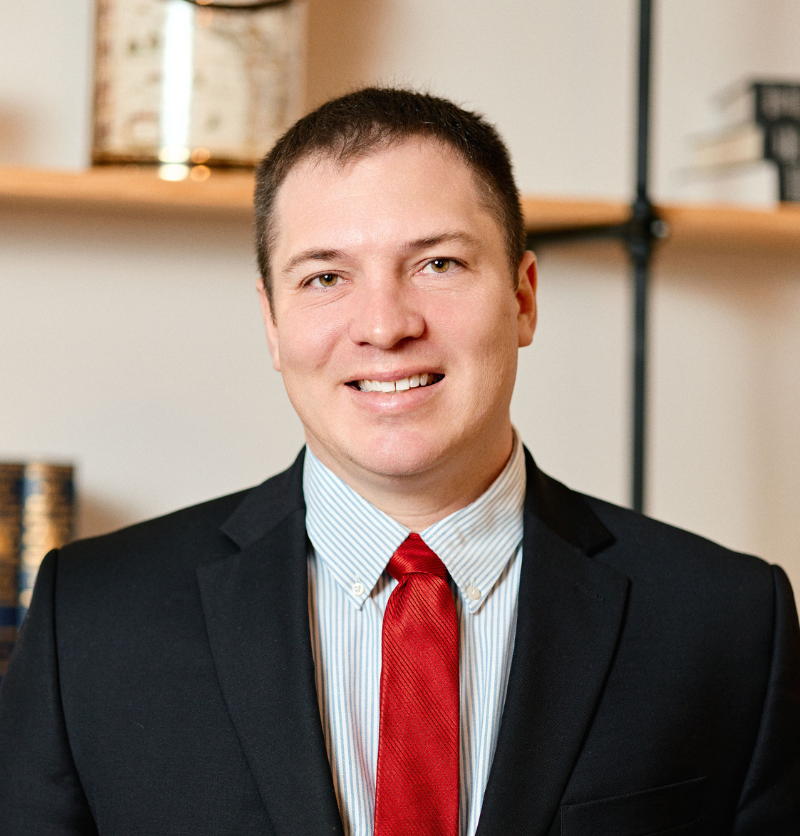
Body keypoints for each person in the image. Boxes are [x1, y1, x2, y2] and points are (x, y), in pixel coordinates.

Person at [0, 88, 798, 836]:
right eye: (325, 277)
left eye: (438, 264)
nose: (383, 326)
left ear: (523, 297)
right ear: (272, 325)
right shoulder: (93, 619)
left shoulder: (728, 623)